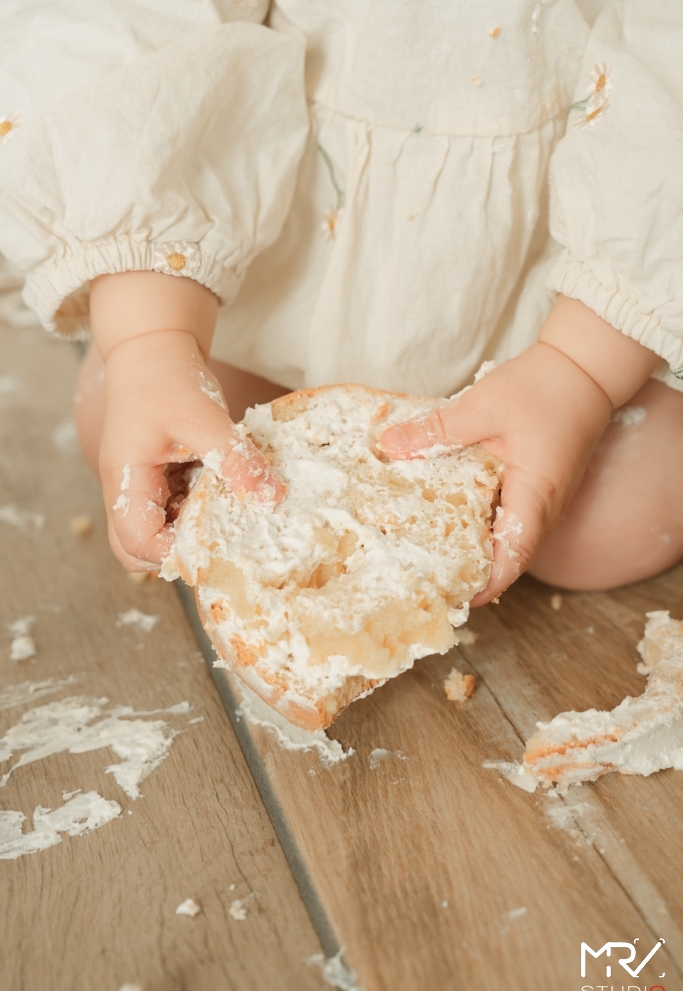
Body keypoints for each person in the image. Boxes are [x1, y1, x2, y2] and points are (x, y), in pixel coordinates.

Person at [0, 0, 681, 604]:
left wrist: (581, 369)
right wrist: (151, 335)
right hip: (288, 270)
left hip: (558, 302)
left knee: (618, 523)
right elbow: (135, 25)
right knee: (143, 449)